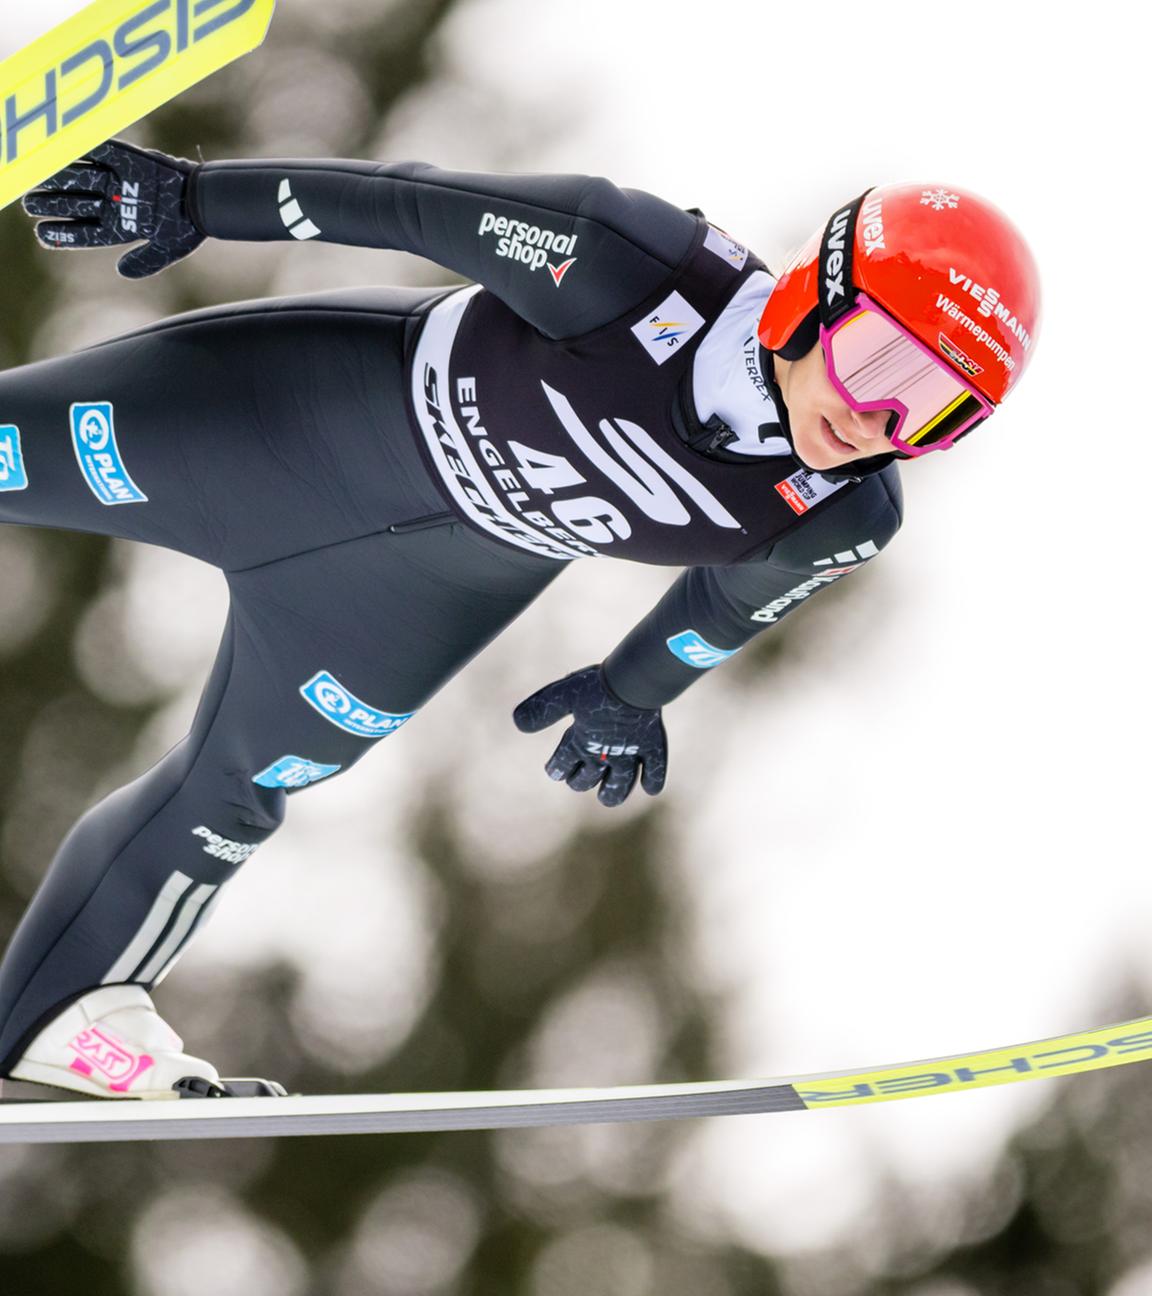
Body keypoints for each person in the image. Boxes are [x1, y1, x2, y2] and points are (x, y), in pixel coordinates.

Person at [0, 140, 1040, 1099]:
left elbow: (727, 607)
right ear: (818, 297)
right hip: (281, 427)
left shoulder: (842, 512)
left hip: (408, 600)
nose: (876, 420)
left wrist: (630, 695)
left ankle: (64, 1010)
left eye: (934, 411)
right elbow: (402, 204)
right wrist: (191, 197)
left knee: (244, 787)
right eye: (879, 364)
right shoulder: (629, 265)